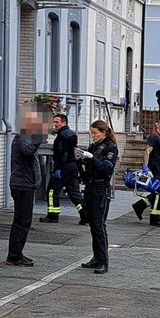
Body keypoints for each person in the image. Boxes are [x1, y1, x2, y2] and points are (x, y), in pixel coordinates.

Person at [78, 120, 121, 274]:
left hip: (100, 188)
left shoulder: (110, 148)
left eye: (95, 133)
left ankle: (103, 261)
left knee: (98, 225)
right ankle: (96, 257)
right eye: (92, 133)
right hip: (90, 187)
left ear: (103, 132)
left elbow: (106, 168)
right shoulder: (94, 146)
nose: (93, 136)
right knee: (92, 225)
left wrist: (92, 158)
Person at [7, 106, 46, 267]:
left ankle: (16, 253)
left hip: (25, 183)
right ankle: (14, 256)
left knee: (22, 221)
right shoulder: (24, 137)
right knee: (22, 221)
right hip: (22, 184)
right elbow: (28, 151)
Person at [42, 112, 86, 224]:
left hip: (63, 168)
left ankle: (52, 216)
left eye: (57, 122)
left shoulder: (62, 136)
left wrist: (58, 169)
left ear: (64, 122)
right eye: (54, 122)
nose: (54, 124)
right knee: (74, 193)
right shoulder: (71, 134)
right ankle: (85, 215)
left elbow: (61, 154)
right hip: (72, 167)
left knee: (52, 191)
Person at [132, 118, 160, 226]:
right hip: (154, 170)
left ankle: (139, 206)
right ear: (157, 125)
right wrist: (145, 167)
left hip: (159, 170)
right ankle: (155, 218)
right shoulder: (154, 137)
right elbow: (147, 151)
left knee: (158, 194)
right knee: (159, 195)